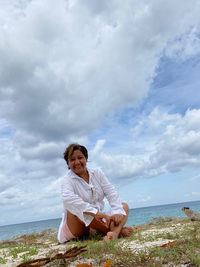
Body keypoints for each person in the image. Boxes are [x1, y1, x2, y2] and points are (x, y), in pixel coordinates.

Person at [58, 143, 133, 243]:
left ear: (86, 159)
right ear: (68, 163)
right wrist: (95, 213)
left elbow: (110, 191)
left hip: (96, 224)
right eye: (72, 159)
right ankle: (117, 232)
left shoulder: (97, 173)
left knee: (124, 206)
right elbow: (68, 200)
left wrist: (117, 211)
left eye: (80, 157)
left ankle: (112, 236)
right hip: (77, 227)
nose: (77, 162)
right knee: (79, 210)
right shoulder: (67, 180)